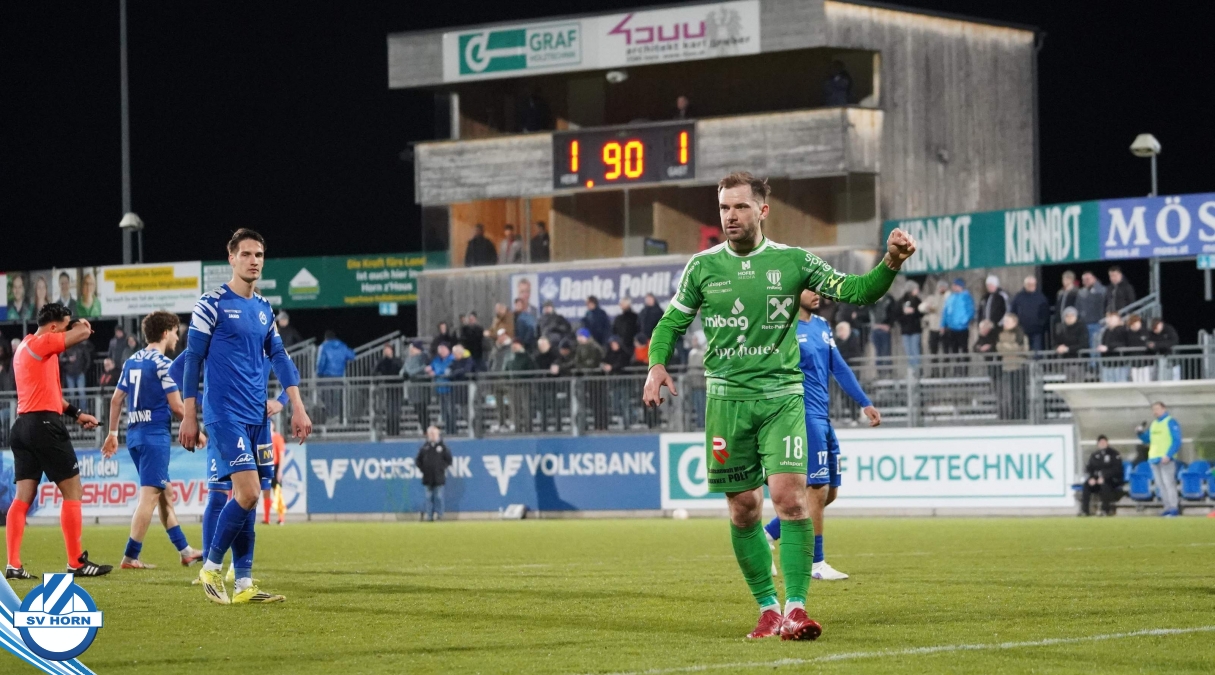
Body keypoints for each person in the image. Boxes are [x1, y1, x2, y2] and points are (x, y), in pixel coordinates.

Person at [643, 171, 915, 640]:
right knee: (744, 510)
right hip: (727, 402)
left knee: (791, 500)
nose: (730, 216)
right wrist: (656, 364)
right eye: (724, 207)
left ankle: (796, 609)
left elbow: (858, 291)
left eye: (740, 206)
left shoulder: (793, 261)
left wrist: (890, 261)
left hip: (782, 399)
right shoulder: (702, 266)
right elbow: (671, 323)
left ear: (762, 210)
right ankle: (768, 609)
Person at [181, 228, 312, 604]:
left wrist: (297, 405)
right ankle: (210, 568)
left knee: (249, 498)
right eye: (246, 254)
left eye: (259, 255)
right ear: (232, 259)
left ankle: (243, 585)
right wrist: (189, 414)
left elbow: (280, 358)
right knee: (249, 491)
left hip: (258, 417)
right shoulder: (211, 304)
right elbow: (192, 360)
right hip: (224, 414)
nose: (254, 260)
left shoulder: (265, 309)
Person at [763, 289, 880, 582]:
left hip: (822, 415)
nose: (818, 294)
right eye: (810, 288)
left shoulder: (822, 326)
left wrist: (864, 402)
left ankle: (768, 533)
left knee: (829, 492)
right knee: (816, 489)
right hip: (801, 415)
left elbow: (838, 367)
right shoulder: (782, 328)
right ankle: (816, 563)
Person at [6, 302, 110, 579]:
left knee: (22, 498)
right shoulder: (43, 343)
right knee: (73, 492)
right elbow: (84, 332)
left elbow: (51, 394)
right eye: (63, 327)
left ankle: (13, 565)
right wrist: (77, 324)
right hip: (44, 426)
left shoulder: (25, 347)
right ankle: (76, 563)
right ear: (53, 328)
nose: (66, 332)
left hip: (22, 426)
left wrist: (77, 413)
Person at [101, 311, 203, 569]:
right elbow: (177, 406)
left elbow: (116, 400)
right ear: (166, 332)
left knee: (164, 492)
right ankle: (130, 556)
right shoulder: (164, 364)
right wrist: (197, 431)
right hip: (154, 436)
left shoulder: (132, 361)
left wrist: (112, 434)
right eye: (176, 332)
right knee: (149, 497)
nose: (177, 338)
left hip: (135, 436)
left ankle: (186, 551)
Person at [1136, 402, 1182, 517]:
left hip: (1166, 458)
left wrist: (1169, 455)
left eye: (1157, 409)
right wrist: (1140, 433)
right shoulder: (1154, 424)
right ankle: (1167, 507)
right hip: (1154, 458)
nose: (1155, 411)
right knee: (1160, 485)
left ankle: (1173, 507)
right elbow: (1148, 439)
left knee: (1168, 483)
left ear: (1164, 409)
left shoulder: (1170, 422)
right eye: (1153, 409)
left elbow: (1176, 440)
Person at [317, 329, 357, 422]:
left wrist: (319, 373)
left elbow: (321, 362)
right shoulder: (342, 346)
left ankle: (330, 416)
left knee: (326, 396)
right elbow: (352, 356)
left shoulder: (324, 346)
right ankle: (336, 416)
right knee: (337, 397)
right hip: (339, 375)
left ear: (326, 338)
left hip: (326, 376)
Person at [995, 314, 1028, 419]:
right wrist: (1010, 347)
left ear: (1014, 322)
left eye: (1008, 321)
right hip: (1006, 367)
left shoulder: (1021, 335)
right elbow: (999, 348)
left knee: (1019, 393)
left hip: (1019, 366)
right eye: (1005, 321)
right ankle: (1010, 414)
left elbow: (1022, 349)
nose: (1005, 324)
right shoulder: (1000, 335)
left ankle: (1021, 414)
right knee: (1009, 393)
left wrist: (1007, 346)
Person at [416, 426, 452, 521]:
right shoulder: (424, 447)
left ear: (438, 434)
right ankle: (429, 516)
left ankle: (440, 515)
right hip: (427, 477)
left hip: (438, 476)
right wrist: (423, 469)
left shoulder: (443, 447)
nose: (432, 435)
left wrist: (441, 468)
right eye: (431, 434)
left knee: (439, 497)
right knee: (428, 497)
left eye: (434, 434)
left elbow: (449, 460)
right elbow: (418, 460)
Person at [1080, 436, 1123, 516]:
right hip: (1097, 480)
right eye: (1100, 443)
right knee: (1086, 485)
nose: (1102, 444)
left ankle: (1105, 510)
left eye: (1104, 442)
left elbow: (1117, 469)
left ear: (1107, 443)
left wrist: (1105, 476)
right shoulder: (1095, 455)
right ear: (1098, 444)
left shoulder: (1114, 454)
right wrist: (1091, 478)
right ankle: (1084, 511)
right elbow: (1089, 468)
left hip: (1111, 480)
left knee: (1105, 485)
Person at [1010, 276, 1050, 351]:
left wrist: (1040, 324)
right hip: (1021, 331)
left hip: (1036, 331)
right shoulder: (1018, 297)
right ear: (1025, 285)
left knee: (1036, 353)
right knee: (1023, 352)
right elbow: (1013, 312)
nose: (1031, 286)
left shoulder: (1041, 297)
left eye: (1033, 284)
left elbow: (1045, 313)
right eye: (1029, 284)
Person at [941, 278, 974, 361]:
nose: (953, 287)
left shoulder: (966, 297)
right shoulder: (951, 298)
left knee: (964, 348)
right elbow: (945, 312)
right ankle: (957, 367)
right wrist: (943, 324)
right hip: (952, 328)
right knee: (954, 349)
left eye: (955, 285)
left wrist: (963, 322)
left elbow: (970, 311)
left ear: (960, 286)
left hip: (962, 329)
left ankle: (965, 367)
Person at [375, 344, 405, 436]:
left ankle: (396, 430)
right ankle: (389, 430)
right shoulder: (381, 361)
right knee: (389, 411)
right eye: (385, 350)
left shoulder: (397, 360)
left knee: (396, 410)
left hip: (397, 388)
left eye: (388, 350)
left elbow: (400, 369)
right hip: (387, 389)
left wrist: (391, 359)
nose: (387, 352)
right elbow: (375, 371)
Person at [1076, 272, 1107, 356]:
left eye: (1088, 279)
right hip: (1084, 323)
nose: (1086, 281)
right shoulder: (1081, 292)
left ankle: (1096, 363)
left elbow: (1105, 305)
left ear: (1094, 279)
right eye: (1084, 280)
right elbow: (1077, 307)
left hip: (1097, 322)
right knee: (1088, 345)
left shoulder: (1102, 290)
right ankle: (1091, 362)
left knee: (1097, 344)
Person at [918, 280, 949, 362]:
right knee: (933, 350)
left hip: (945, 328)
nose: (941, 289)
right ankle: (934, 368)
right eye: (940, 287)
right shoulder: (931, 298)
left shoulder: (948, 298)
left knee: (946, 350)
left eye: (943, 287)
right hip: (933, 328)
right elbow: (922, 309)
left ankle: (946, 369)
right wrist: (927, 307)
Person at [894, 281, 922, 368]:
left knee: (915, 350)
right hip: (905, 330)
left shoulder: (917, 300)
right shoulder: (901, 301)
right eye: (916, 289)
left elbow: (921, 313)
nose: (918, 290)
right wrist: (904, 313)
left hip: (915, 329)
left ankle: (916, 370)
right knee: (908, 351)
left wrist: (914, 311)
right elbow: (896, 315)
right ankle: (911, 369)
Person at [60, 338, 92, 412]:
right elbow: (61, 359)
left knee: (81, 393)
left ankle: (83, 411)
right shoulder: (67, 346)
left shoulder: (82, 346)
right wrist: (68, 359)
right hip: (69, 374)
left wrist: (84, 371)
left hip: (80, 373)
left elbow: (87, 359)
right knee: (72, 394)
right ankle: (73, 412)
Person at [1098, 311, 1130, 382]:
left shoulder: (1123, 330)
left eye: (1112, 318)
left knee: (1120, 384)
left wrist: (1108, 348)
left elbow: (1123, 344)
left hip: (1120, 364)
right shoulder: (1106, 331)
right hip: (1107, 363)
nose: (1109, 320)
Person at [266, 421, 287, 526]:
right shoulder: (263, 438)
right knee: (266, 492)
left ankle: (281, 518)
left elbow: (281, 454)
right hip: (265, 466)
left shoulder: (278, 438)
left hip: (275, 466)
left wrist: (280, 470)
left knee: (277, 492)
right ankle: (266, 518)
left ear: (273, 425)